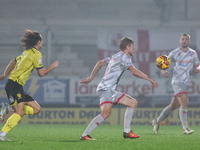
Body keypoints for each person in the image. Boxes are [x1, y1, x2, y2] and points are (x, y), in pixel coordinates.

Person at [80, 37, 158, 140]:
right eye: (133, 46)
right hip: (105, 89)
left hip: (110, 90)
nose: (134, 48)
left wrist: (91, 78)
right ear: (127, 46)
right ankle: (85, 134)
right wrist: (150, 79)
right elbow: (134, 71)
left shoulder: (115, 56)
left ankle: (127, 132)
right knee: (106, 113)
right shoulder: (124, 58)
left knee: (132, 103)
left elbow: (99, 63)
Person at [0, 29, 59, 141]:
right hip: (14, 84)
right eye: (41, 41)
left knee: (37, 109)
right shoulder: (36, 54)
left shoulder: (26, 52)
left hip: (16, 85)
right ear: (39, 42)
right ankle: (2, 134)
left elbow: (13, 61)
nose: (42, 43)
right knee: (20, 112)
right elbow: (41, 73)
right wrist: (52, 66)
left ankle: (7, 108)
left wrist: (4, 74)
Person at [152, 33, 200, 135]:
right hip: (177, 81)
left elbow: (198, 65)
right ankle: (185, 128)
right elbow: (163, 62)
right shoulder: (175, 53)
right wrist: (163, 71)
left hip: (186, 82)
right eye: (183, 39)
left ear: (189, 41)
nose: (184, 41)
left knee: (173, 106)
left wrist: (198, 69)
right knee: (184, 104)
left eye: (186, 39)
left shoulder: (193, 53)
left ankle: (157, 122)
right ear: (180, 41)